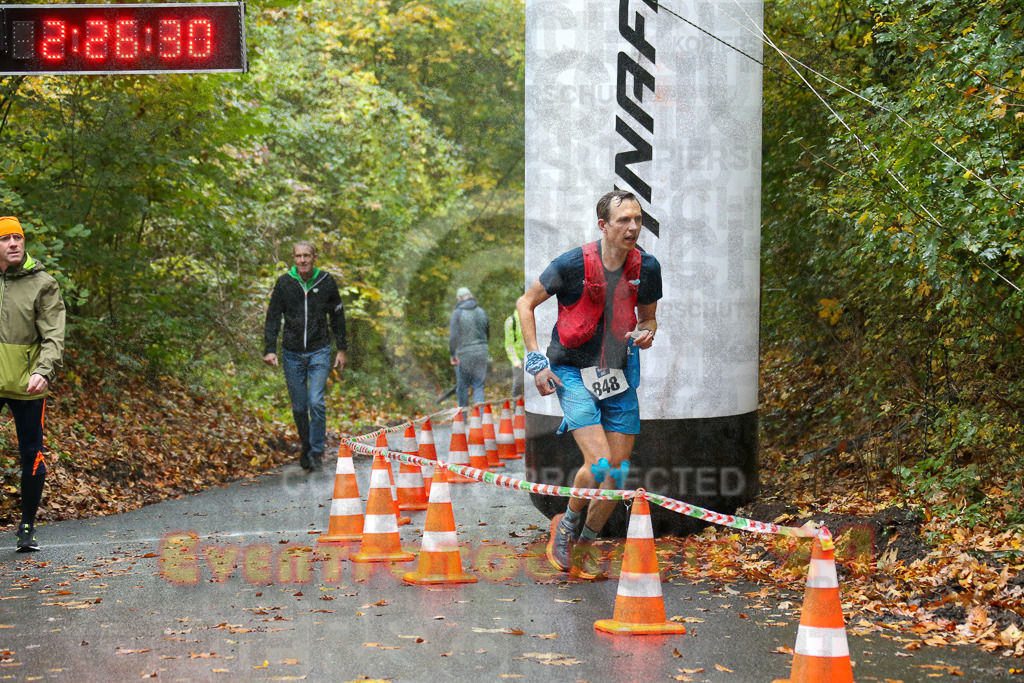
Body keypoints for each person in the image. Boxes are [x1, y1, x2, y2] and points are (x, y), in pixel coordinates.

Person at [516, 190, 662, 577]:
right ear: (603, 226)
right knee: (599, 466)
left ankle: (586, 545)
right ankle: (565, 527)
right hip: (570, 370)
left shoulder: (647, 267)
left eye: (637, 219)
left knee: (616, 473)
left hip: (618, 373)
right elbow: (525, 304)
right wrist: (535, 361)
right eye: (623, 221)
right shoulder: (571, 264)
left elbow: (648, 319)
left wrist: (647, 332)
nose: (633, 227)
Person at [0, 217, 66, 552]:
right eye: (5, 239)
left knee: (32, 452)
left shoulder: (43, 283)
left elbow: (54, 334)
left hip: (27, 382)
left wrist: (44, 370)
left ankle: (27, 525)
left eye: (17, 237)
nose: (13, 243)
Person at [263, 241, 347, 472]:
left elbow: (338, 317)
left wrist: (341, 348)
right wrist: (269, 349)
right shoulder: (284, 283)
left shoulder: (326, 281)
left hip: (319, 350)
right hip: (292, 354)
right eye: (298, 256)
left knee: (315, 402)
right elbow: (273, 317)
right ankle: (307, 446)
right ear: (293, 258)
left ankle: (316, 452)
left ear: (314, 257)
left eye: (306, 256)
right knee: (300, 407)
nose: (302, 260)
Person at [449, 287, 489, 407]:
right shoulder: (482, 312)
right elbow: (487, 334)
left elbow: (453, 337)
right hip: (482, 352)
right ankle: (480, 420)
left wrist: (452, 355)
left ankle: (463, 420)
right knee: (478, 385)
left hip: (464, 354)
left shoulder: (457, 313)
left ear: (459, 299)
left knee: (463, 387)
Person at [504, 307, 525, 397]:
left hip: (532, 357)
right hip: (519, 359)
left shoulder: (534, 317)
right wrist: (516, 360)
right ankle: (516, 408)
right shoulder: (512, 321)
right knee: (518, 385)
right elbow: (509, 344)